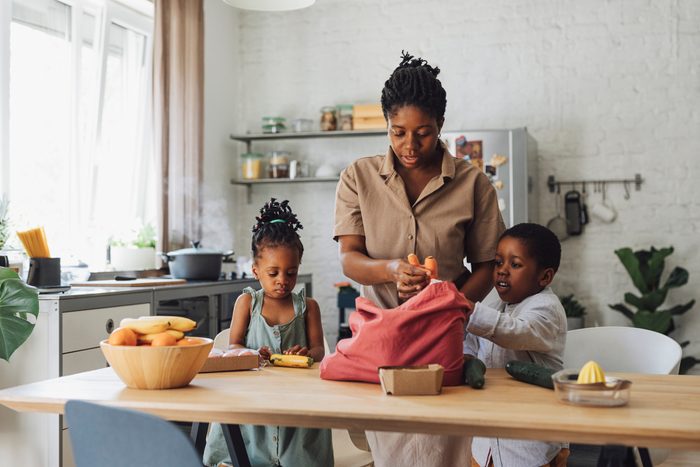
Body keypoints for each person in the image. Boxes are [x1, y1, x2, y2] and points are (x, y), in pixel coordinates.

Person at [334, 51, 505, 466]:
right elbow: (350, 259)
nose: (410, 146)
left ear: (440, 126)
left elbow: (487, 266)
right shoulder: (359, 177)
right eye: (398, 133)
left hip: (445, 336)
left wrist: (451, 307)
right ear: (387, 127)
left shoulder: (472, 183)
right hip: (382, 337)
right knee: (391, 450)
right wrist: (391, 270)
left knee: (445, 451)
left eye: (423, 133)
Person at [203, 198, 333, 467]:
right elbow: (234, 343)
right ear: (256, 271)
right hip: (253, 402)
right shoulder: (247, 303)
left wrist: (307, 353)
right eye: (273, 273)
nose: (282, 281)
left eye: (291, 273)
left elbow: (320, 350)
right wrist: (250, 353)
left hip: (297, 404)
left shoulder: (308, 307)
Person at [464, 223, 569, 467]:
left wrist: (467, 308)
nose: (502, 271)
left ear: (545, 276)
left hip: (532, 443)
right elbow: (471, 339)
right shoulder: (493, 302)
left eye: (515, 264)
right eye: (498, 262)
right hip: (486, 441)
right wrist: (468, 358)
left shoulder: (547, 309)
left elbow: (514, 331)